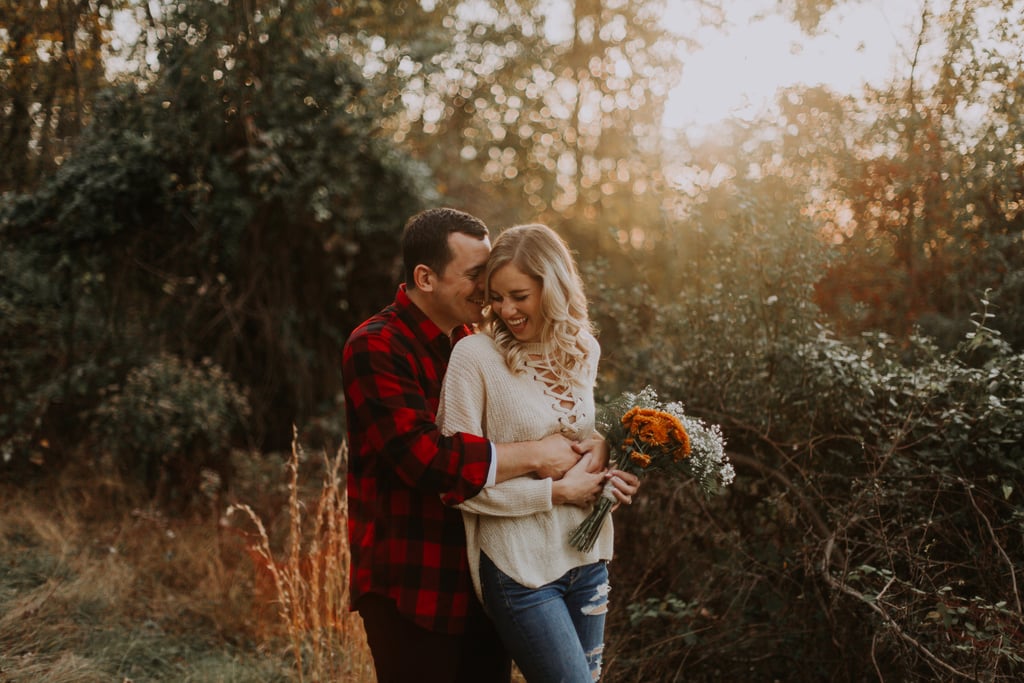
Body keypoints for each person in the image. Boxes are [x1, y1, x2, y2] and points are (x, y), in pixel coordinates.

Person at [342, 208, 606, 683]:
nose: (488, 293)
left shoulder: (476, 341)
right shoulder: (376, 346)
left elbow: (543, 417)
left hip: (486, 571)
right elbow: (428, 461)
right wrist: (538, 457)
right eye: (476, 276)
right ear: (425, 277)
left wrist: (596, 447)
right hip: (413, 581)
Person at [437, 223, 640, 682]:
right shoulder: (474, 357)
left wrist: (611, 470)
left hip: (588, 560)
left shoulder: (582, 349)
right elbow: (456, 484)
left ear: (553, 288)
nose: (505, 310)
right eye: (496, 296)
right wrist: (555, 493)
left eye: (519, 296)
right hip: (519, 569)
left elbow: (580, 444)